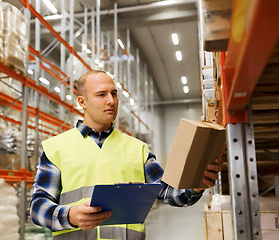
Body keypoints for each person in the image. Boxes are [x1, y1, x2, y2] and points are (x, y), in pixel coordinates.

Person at [30, 70, 222, 240]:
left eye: (114, 93)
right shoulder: (56, 148)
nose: (111, 101)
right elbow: (38, 208)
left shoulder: (137, 148)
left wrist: (196, 186)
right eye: (101, 94)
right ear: (82, 102)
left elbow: (168, 192)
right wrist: (69, 215)